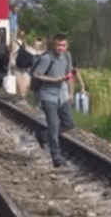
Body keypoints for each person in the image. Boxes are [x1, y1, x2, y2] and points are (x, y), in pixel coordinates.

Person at [30, 34, 77, 168]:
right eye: (58, 45)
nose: (61, 48)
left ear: (66, 46)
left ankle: (44, 135)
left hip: (62, 94)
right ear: (54, 45)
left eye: (63, 45)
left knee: (68, 123)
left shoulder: (68, 56)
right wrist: (53, 80)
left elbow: (70, 75)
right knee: (54, 124)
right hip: (47, 95)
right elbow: (36, 74)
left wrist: (71, 92)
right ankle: (56, 156)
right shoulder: (47, 58)